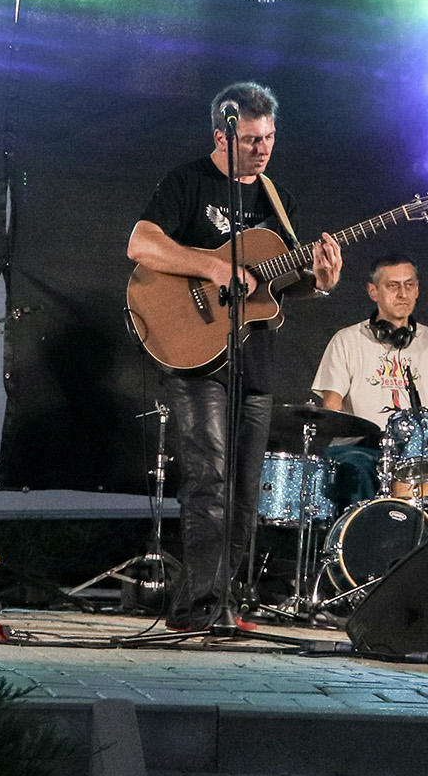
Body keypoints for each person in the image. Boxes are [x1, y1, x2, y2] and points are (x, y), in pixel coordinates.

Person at [128, 82, 342, 629]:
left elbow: (276, 287)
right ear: (222, 137)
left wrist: (319, 283)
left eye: (268, 137)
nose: (262, 149)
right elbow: (141, 244)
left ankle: (219, 600)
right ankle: (201, 604)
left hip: (256, 362)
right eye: (250, 139)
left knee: (245, 492)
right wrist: (215, 267)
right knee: (209, 480)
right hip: (198, 359)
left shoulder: (277, 199)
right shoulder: (188, 181)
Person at [311, 255, 428, 523]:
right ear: (373, 291)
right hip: (364, 449)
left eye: (409, 285)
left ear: (417, 289)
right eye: (392, 286)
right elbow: (332, 411)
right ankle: (364, 543)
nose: (403, 293)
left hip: (421, 453)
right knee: (355, 467)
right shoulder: (347, 340)